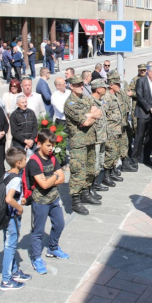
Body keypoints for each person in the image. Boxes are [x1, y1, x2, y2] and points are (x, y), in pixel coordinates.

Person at [28, 130, 68, 274]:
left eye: (52, 145)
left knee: (59, 224)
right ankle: (36, 257)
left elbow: (62, 179)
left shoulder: (53, 158)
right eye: (48, 145)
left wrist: (52, 178)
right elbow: (43, 185)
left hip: (54, 198)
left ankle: (53, 248)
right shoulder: (34, 161)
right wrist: (55, 175)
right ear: (39, 144)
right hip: (40, 201)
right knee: (38, 231)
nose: (51, 148)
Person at [64, 75, 102, 215]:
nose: (81, 86)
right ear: (71, 86)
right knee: (78, 171)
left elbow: (98, 112)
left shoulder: (85, 98)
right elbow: (85, 122)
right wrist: (91, 115)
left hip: (90, 139)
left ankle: (85, 193)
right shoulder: (70, 103)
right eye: (77, 84)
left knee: (90, 169)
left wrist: (90, 115)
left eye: (81, 83)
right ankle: (75, 200)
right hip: (79, 142)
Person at [0, 147, 31, 291]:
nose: (26, 161)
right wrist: (19, 208)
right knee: (10, 246)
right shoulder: (16, 178)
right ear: (18, 163)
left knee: (8, 243)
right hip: (12, 216)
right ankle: (6, 280)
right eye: (25, 160)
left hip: (5, 215)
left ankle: (13, 271)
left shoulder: (6, 175)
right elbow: (8, 198)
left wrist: (21, 200)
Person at [132, 65, 152, 167]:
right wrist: (149, 108)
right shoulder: (141, 81)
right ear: (149, 72)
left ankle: (146, 157)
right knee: (140, 136)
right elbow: (140, 96)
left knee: (150, 137)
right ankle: (135, 158)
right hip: (143, 112)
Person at [86, 79, 110, 189]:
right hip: (95, 138)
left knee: (100, 161)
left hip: (102, 137)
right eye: (104, 87)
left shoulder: (100, 101)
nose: (106, 89)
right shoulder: (90, 102)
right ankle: (91, 186)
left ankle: (96, 183)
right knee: (94, 163)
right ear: (98, 89)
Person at [103, 74, 125, 186]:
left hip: (117, 129)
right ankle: (106, 175)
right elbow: (103, 114)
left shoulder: (115, 95)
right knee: (110, 153)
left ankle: (112, 171)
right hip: (110, 130)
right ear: (111, 85)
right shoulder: (107, 97)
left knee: (116, 152)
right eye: (117, 84)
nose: (119, 86)